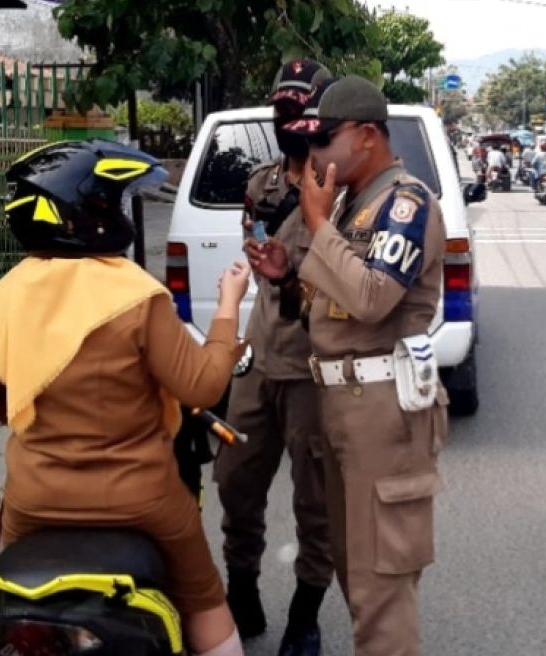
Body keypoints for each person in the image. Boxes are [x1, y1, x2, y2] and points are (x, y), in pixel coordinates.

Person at [0, 139, 250, 656]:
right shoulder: (134, 295)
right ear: (87, 214)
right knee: (203, 598)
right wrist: (227, 308)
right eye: (108, 201)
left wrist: (38, 407)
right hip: (142, 498)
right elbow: (202, 386)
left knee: (1, 597)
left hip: (35, 500)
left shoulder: (3, 296)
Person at [251, 76, 448, 656]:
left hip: (383, 413)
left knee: (380, 584)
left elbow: (370, 298)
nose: (313, 155)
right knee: (354, 569)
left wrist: (314, 226)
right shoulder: (352, 201)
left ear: (365, 136)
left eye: (324, 140)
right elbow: (331, 304)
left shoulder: (405, 202)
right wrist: (290, 273)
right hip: (342, 405)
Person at [214, 60, 334, 656]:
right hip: (259, 361)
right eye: (280, 109)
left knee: (317, 500)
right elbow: (256, 252)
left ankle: (306, 614)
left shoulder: (341, 191)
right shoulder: (261, 185)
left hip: (315, 370)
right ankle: (242, 587)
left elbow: (341, 285)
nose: (287, 120)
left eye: (298, 110)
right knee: (235, 482)